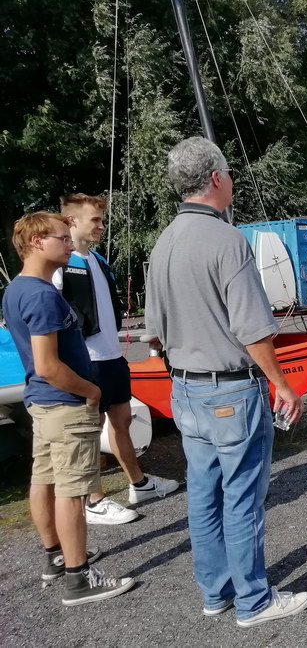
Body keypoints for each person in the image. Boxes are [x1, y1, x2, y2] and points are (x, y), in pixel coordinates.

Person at [145, 137, 307, 627]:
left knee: (203, 495)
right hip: (231, 390)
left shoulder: (163, 241)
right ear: (216, 178)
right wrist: (282, 384)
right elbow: (253, 329)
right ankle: (254, 601)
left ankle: (215, 592)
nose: (232, 179)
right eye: (229, 172)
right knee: (242, 498)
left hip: (186, 388)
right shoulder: (226, 239)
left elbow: (153, 333)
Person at [3, 212, 135, 606]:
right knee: (72, 491)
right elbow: (48, 365)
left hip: (42, 403)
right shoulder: (42, 295)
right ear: (36, 242)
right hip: (64, 403)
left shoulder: (16, 289)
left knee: (43, 480)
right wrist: (91, 390)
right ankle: (80, 577)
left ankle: (56, 557)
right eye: (61, 238)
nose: (69, 244)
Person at [55, 194, 179, 525]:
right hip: (86, 361)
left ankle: (139, 484)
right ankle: (93, 500)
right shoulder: (60, 266)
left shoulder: (98, 260)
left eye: (102, 219)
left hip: (112, 357)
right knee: (89, 430)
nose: (101, 226)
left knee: (122, 421)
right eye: (95, 220)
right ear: (72, 221)